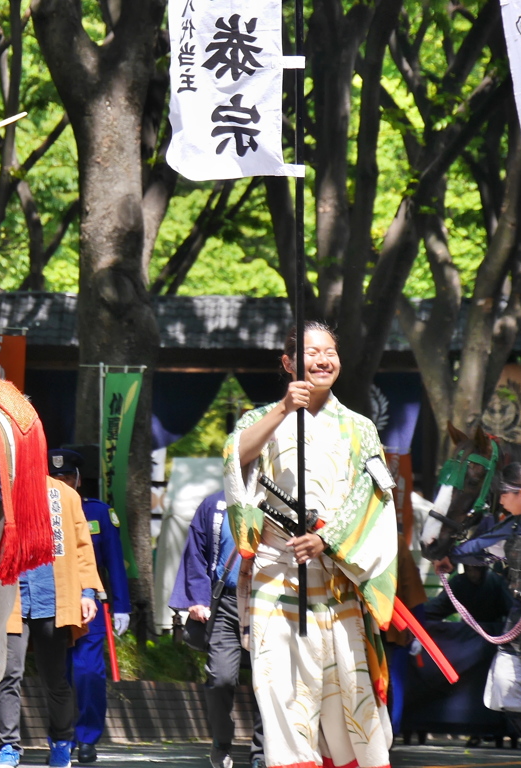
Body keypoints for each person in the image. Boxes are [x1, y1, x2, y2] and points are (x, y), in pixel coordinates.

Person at [222, 321, 398, 768]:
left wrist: (327, 539)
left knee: (350, 703)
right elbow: (236, 458)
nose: (323, 360)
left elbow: (375, 497)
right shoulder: (261, 418)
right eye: (311, 352)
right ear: (287, 363)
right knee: (283, 694)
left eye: (330, 351)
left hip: (339, 580)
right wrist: (283, 409)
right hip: (276, 575)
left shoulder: (361, 428)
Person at [0, 475, 104, 768]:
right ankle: (7, 746)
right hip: (10, 597)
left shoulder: (64, 494)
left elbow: (82, 545)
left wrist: (87, 591)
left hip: (52, 598)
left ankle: (61, 741)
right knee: (7, 674)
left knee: (56, 679)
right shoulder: (0, 487)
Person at [437, 461, 521, 755]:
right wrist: (449, 556)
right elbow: (478, 549)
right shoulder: (512, 527)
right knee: (505, 688)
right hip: (519, 625)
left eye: (505, 492)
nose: (499, 499)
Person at [169, 489, 264, 768]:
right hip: (226, 602)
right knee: (220, 678)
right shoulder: (215, 503)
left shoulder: (278, 502)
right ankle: (222, 741)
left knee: (268, 683)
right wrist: (197, 599)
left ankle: (262, 753)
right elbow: (195, 554)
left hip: (267, 604)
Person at [47, 448, 130, 764]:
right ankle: (60, 740)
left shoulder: (97, 513)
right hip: (51, 603)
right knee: (58, 675)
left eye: (68, 477)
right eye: (57, 478)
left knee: (88, 673)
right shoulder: (41, 511)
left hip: (89, 604)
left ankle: (87, 737)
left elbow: (113, 563)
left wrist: (122, 606)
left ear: (78, 480)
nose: (63, 483)